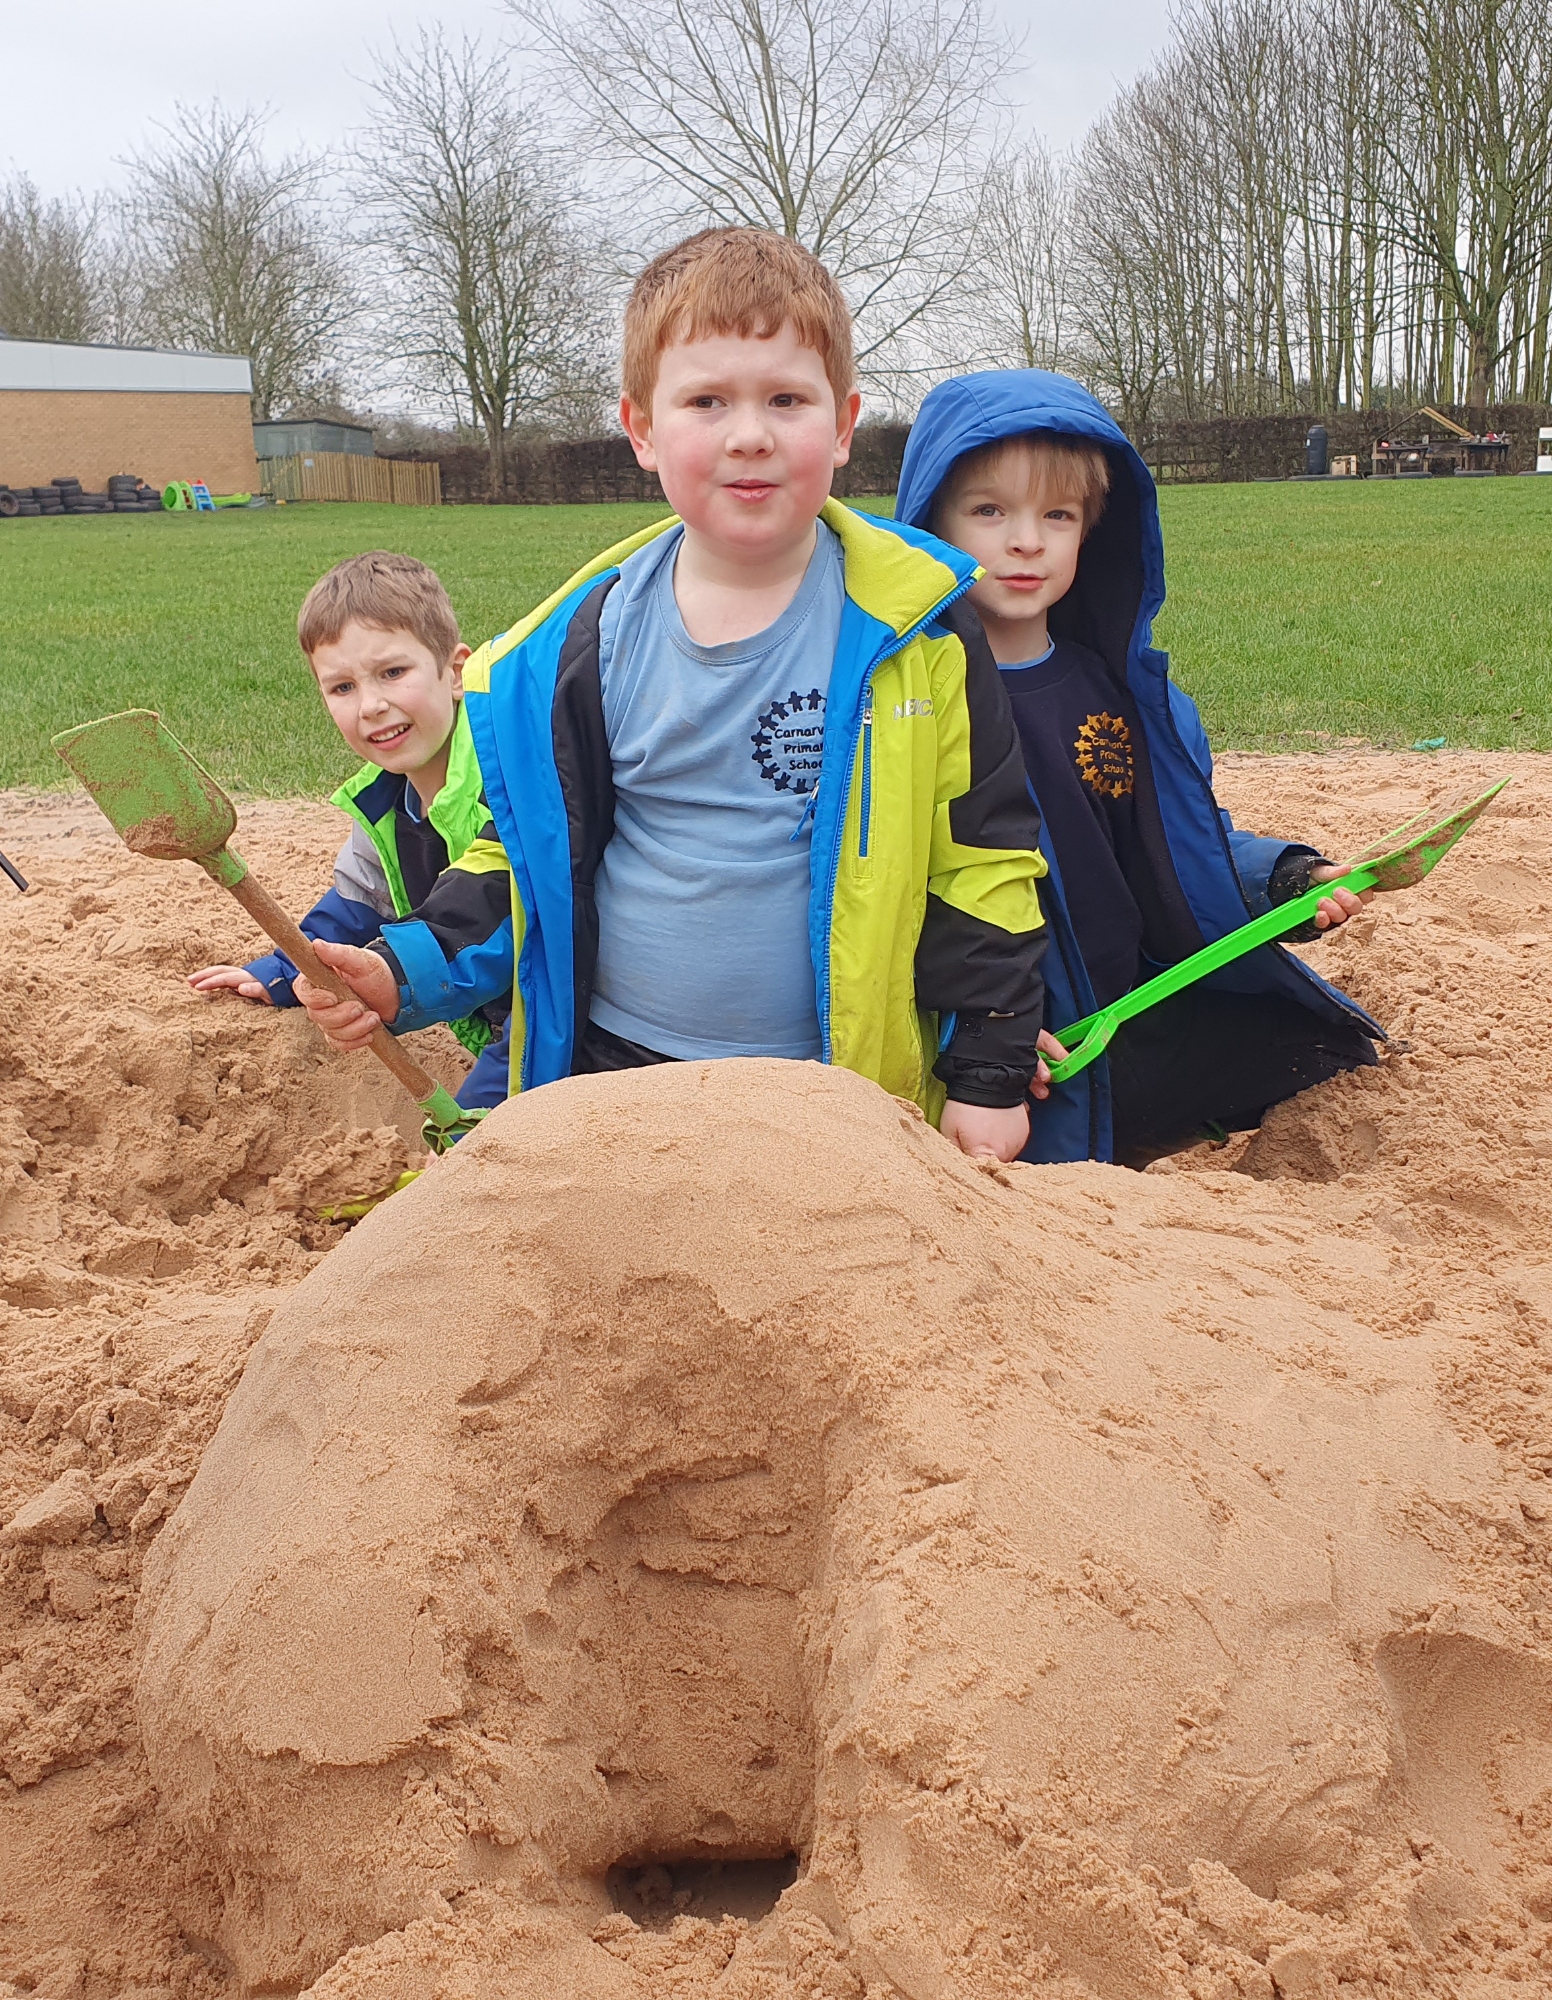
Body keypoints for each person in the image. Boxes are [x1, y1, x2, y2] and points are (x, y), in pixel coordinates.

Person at [288, 228, 1053, 1161]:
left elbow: (983, 861)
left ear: (844, 424)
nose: (750, 433)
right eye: (706, 400)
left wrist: (988, 1072)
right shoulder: (579, 645)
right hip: (620, 1071)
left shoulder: (923, 630)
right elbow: (523, 856)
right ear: (642, 429)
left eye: (786, 398)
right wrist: (400, 970)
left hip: (834, 1087)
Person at [893, 369, 1383, 1168]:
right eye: (989, 511)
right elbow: (897, 895)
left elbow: (1175, 841)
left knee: (1327, 1059)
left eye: (1057, 515)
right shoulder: (909, 706)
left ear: (1093, 530)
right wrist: (981, 1031)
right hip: (1012, 1036)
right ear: (928, 525)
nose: (1027, 541)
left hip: (1126, 1005)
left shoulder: (1114, 691)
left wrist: (1282, 880)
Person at [187, 551, 513, 1112]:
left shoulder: (506, 779)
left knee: (479, 1139)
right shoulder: (384, 803)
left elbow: (506, 911)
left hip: (559, 1008)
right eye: (342, 687)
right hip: (495, 1009)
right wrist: (283, 971)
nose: (372, 706)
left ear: (455, 671)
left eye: (393, 673)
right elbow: (356, 907)